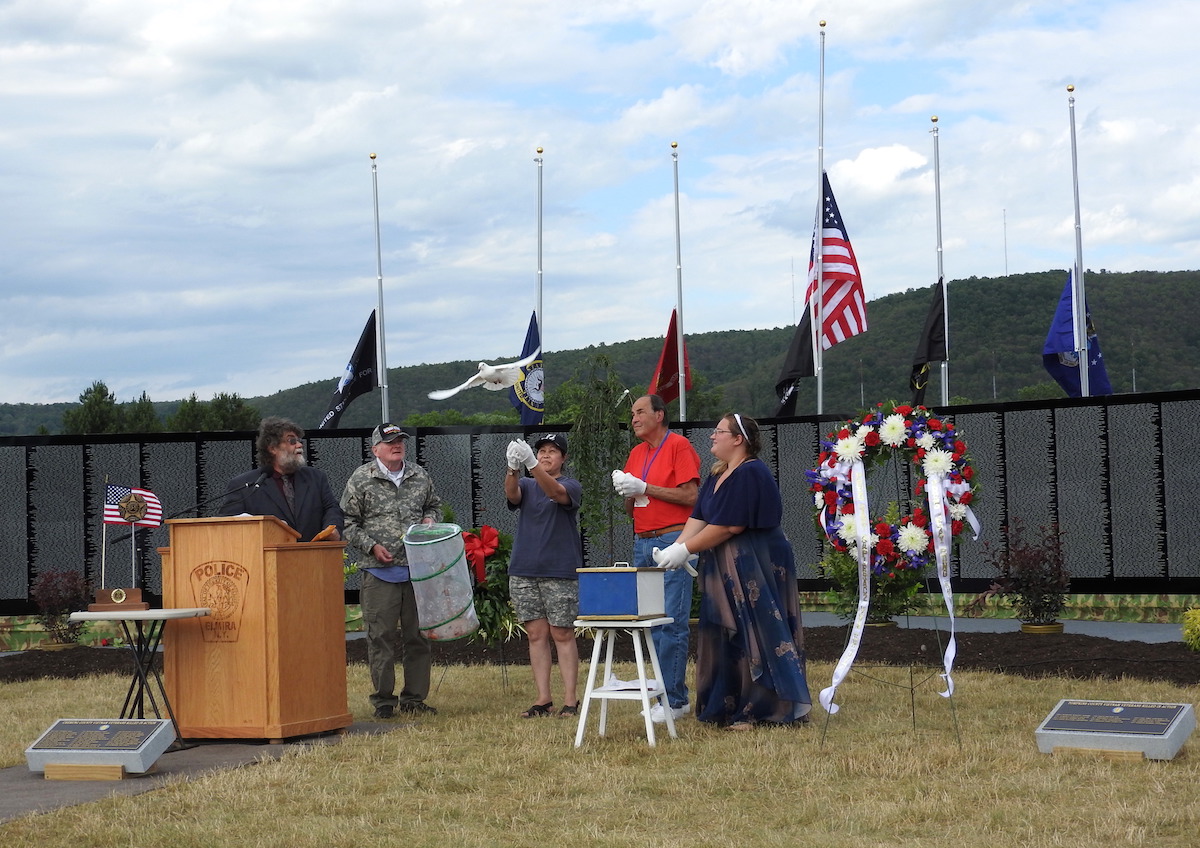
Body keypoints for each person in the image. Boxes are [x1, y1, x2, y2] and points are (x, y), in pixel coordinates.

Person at [653, 412, 811, 730]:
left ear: (738, 439)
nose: (713, 436)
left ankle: (761, 708)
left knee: (758, 628)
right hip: (725, 563)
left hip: (757, 563)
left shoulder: (751, 473)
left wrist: (687, 549)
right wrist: (676, 549)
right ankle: (727, 703)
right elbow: (699, 518)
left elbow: (730, 525)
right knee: (727, 629)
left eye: (719, 431)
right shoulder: (717, 474)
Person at [340, 423, 443, 719]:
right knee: (380, 638)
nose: (397, 445)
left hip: (417, 571)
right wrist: (371, 546)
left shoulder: (419, 474)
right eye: (390, 442)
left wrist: (428, 519)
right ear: (376, 450)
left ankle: (414, 698)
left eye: (400, 441)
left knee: (418, 637)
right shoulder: (362, 478)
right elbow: (347, 521)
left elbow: (434, 506)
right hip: (379, 572)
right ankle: (384, 700)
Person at [610, 394, 700, 723]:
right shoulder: (637, 452)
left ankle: (675, 700)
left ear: (659, 415)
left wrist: (645, 486)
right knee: (651, 624)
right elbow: (632, 506)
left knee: (672, 622)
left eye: (640, 412)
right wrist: (628, 491)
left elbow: (691, 495)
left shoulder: (679, 446)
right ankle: (666, 695)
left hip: (673, 538)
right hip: (642, 540)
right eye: (632, 413)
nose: (633, 418)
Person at [504, 433, 584, 718]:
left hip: (559, 570)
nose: (545, 455)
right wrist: (513, 467)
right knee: (536, 634)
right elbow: (512, 494)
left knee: (562, 633)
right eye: (540, 451)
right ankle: (543, 699)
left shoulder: (570, 485)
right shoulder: (527, 483)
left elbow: (554, 493)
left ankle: (571, 700)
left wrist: (530, 464)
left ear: (563, 458)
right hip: (524, 570)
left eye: (553, 451)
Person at [218, 416, 343, 542]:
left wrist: (332, 527)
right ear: (273, 448)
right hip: (267, 558)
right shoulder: (244, 486)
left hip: (313, 557)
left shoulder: (316, 478)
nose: (299, 445)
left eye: (299, 441)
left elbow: (331, 508)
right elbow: (228, 527)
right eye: (292, 441)